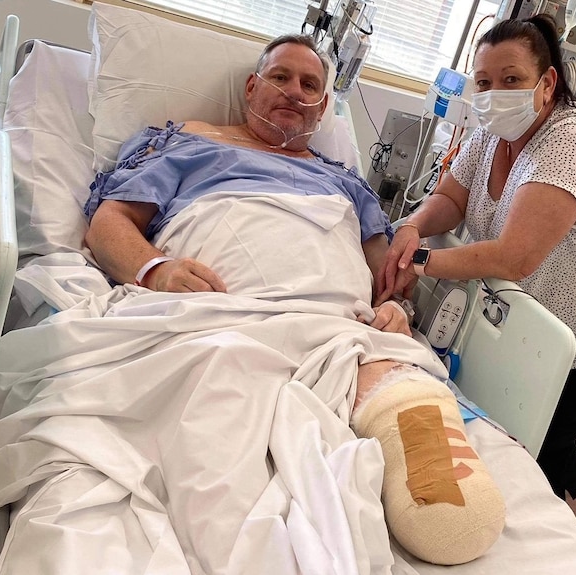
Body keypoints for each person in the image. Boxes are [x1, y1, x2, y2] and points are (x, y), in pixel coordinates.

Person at [82, 34, 506, 565]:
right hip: (225, 314)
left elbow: (386, 274)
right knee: (218, 399)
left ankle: (408, 426)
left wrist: (398, 307)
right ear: (251, 86)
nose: (294, 91)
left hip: (339, 325)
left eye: (310, 85)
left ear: (323, 107)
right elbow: (109, 224)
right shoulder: (186, 143)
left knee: (398, 386)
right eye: (280, 77)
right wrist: (158, 270)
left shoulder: (344, 182)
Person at [377, 15, 576, 550]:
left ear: (548, 83)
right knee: (539, 422)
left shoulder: (572, 143)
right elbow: (451, 199)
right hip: (559, 307)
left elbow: (515, 257)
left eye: (512, 79)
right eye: (484, 81)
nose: (495, 93)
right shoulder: (491, 135)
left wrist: (417, 260)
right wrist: (410, 227)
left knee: (548, 431)